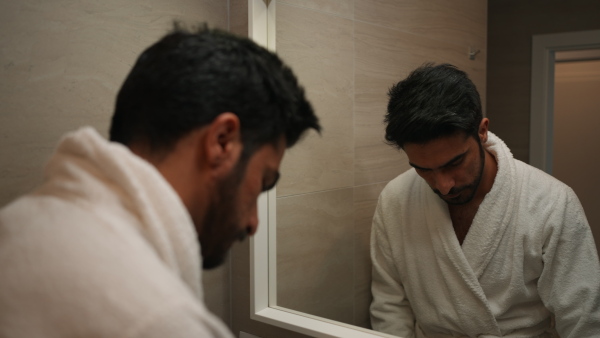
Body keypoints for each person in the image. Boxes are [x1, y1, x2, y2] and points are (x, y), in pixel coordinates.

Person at [0, 24, 320, 337]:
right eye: (264, 182)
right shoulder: (161, 321)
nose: (253, 223)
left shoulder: (17, 224)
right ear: (222, 141)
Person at [370, 63, 600, 337]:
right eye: (423, 169)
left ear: (482, 131)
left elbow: (582, 318)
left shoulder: (552, 202)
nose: (443, 186)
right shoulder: (395, 199)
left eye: (454, 163)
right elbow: (390, 304)